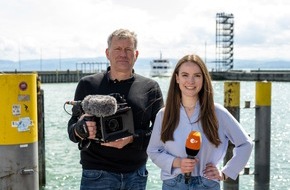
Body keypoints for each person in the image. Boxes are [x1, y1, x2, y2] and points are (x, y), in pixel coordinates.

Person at [67, 28, 164, 190]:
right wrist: (81, 129)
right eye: (117, 49)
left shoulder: (151, 87)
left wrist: (132, 138)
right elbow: (72, 132)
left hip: (136, 174)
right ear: (107, 53)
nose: (123, 54)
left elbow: (162, 131)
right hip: (96, 173)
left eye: (128, 49)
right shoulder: (88, 84)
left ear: (136, 54)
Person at [147, 54, 253, 190]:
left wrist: (226, 173)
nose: (191, 81)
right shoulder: (164, 114)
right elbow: (153, 150)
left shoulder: (218, 112)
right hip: (173, 183)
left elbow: (245, 144)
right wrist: (177, 162)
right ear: (177, 78)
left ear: (203, 79)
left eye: (197, 75)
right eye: (185, 75)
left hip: (208, 183)